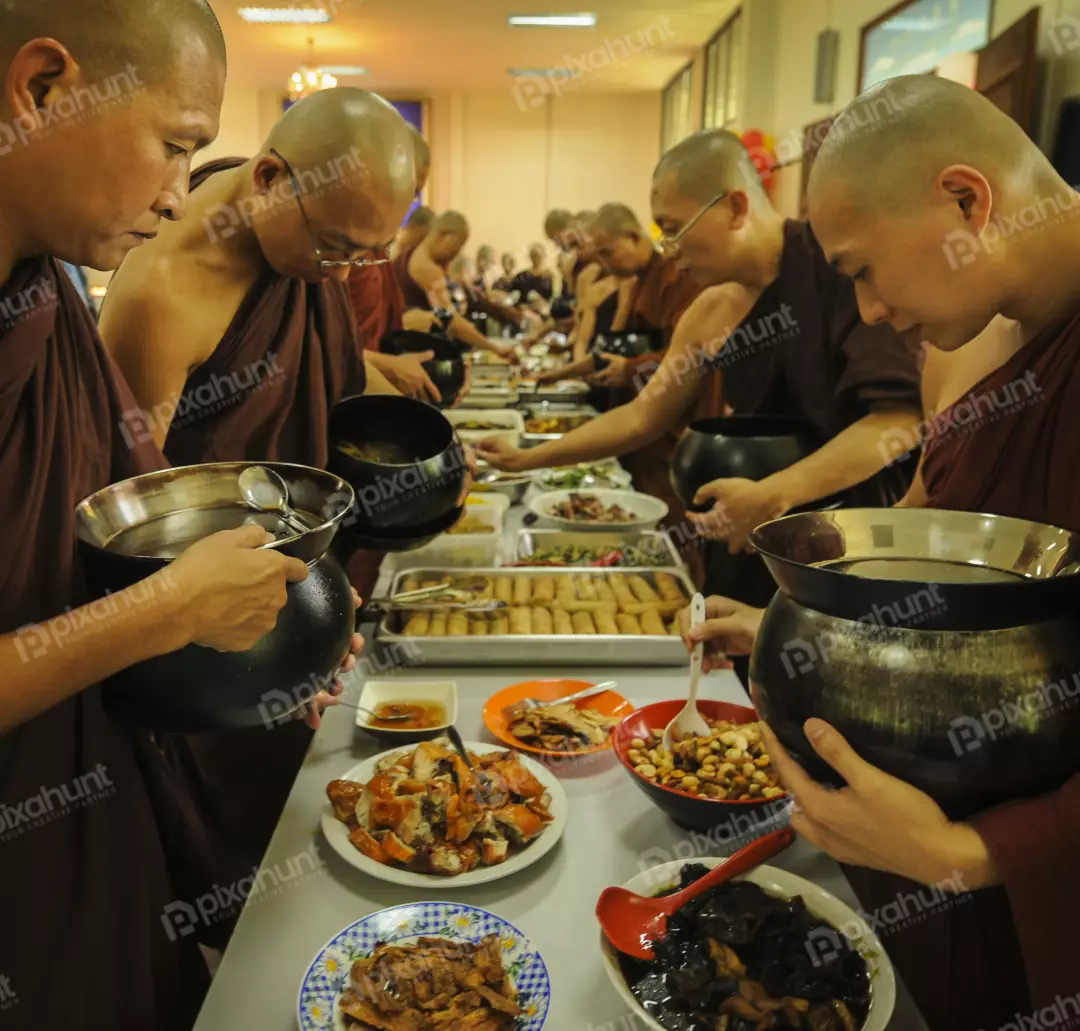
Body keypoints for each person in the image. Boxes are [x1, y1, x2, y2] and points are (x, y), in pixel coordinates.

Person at [690, 76, 1080, 1031]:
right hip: (920, 865)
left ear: (965, 199)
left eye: (864, 269)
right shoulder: (987, 344)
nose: (864, 310)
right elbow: (924, 540)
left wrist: (983, 855)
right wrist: (807, 622)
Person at [0, 2, 344, 1027]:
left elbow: (142, 513)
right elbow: (147, 596)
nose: (173, 196)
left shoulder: (45, 297)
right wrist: (168, 611)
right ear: (44, 87)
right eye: (176, 147)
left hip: (84, 811)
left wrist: (288, 621)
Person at [99, 86, 413, 870]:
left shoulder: (297, 248)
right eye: (335, 246)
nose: (338, 273)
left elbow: (301, 382)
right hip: (215, 638)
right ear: (270, 177)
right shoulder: (161, 293)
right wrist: (266, 645)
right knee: (233, 855)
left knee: (307, 822)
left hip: (288, 583)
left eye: (361, 255)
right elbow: (136, 522)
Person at [480, 132, 921, 571]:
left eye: (674, 228)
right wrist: (527, 458)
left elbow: (896, 421)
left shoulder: (838, 269)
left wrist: (775, 493)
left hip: (844, 537)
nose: (669, 249)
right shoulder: (710, 310)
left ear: (734, 207)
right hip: (741, 525)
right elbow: (641, 416)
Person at [347, 128, 440, 401]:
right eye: (409, 191)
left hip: (370, 397)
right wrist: (388, 367)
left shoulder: (378, 245)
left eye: (415, 195)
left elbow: (370, 335)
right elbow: (308, 351)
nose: (408, 204)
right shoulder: (332, 249)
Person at [394, 210, 516, 359]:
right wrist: (495, 348)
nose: (455, 255)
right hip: (417, 354)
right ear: (443, 236)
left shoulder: (409, 257)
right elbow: (451, 321)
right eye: (456, 247)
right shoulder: (426, 268)